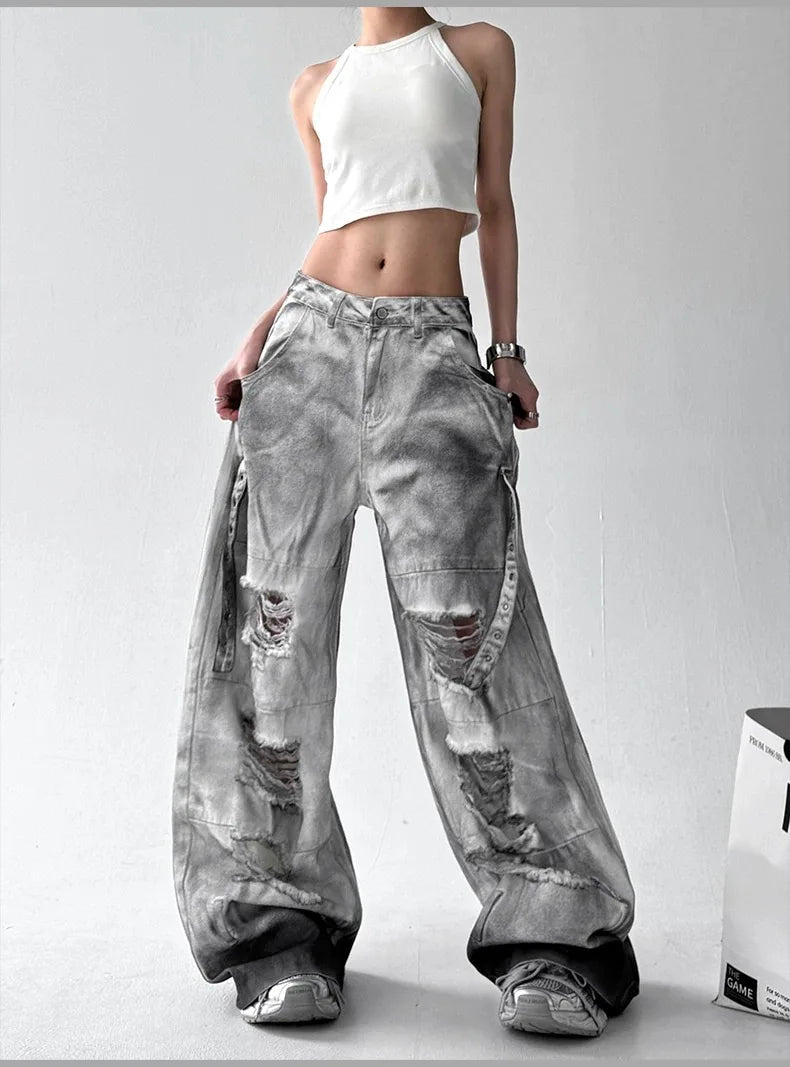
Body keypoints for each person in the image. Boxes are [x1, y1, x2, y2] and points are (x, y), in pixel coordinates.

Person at [171, 7, 640, 1039]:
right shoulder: (314, 86)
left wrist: (507, 348)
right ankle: (278, 931)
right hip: (307, 350)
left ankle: (560, 935)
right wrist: (259, 336)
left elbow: (494, 201)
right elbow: (334, 221)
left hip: (433, 351)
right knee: (273, 646)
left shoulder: (477, 50)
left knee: (471, 651)